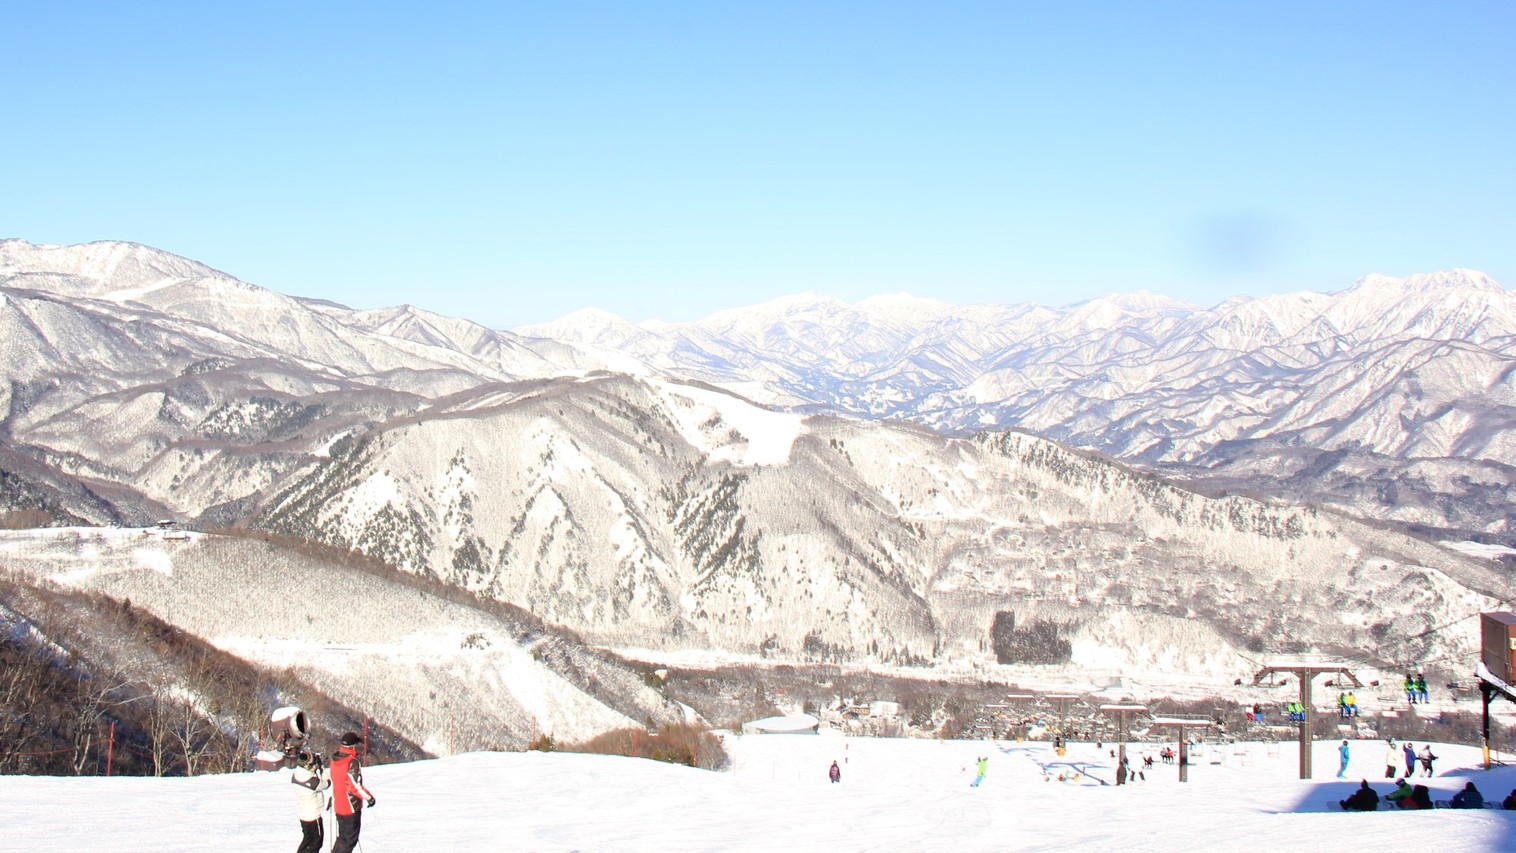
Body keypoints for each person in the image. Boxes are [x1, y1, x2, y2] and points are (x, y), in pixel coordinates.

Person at [329, 731, 376, 853]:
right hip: (350, 807)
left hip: (339, 805)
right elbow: (356, 787)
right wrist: (369, 797)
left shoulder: (335, 762)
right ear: (353, 746)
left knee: (343, 839)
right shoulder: (351, 763)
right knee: (349, 840)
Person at [291, 750, 329, 853]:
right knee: (316, 842)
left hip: (302, 813)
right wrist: (321, 768)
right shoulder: (312, 781)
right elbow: (327, 783)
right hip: (313, 815)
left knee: (307, 840)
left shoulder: (295, 776)